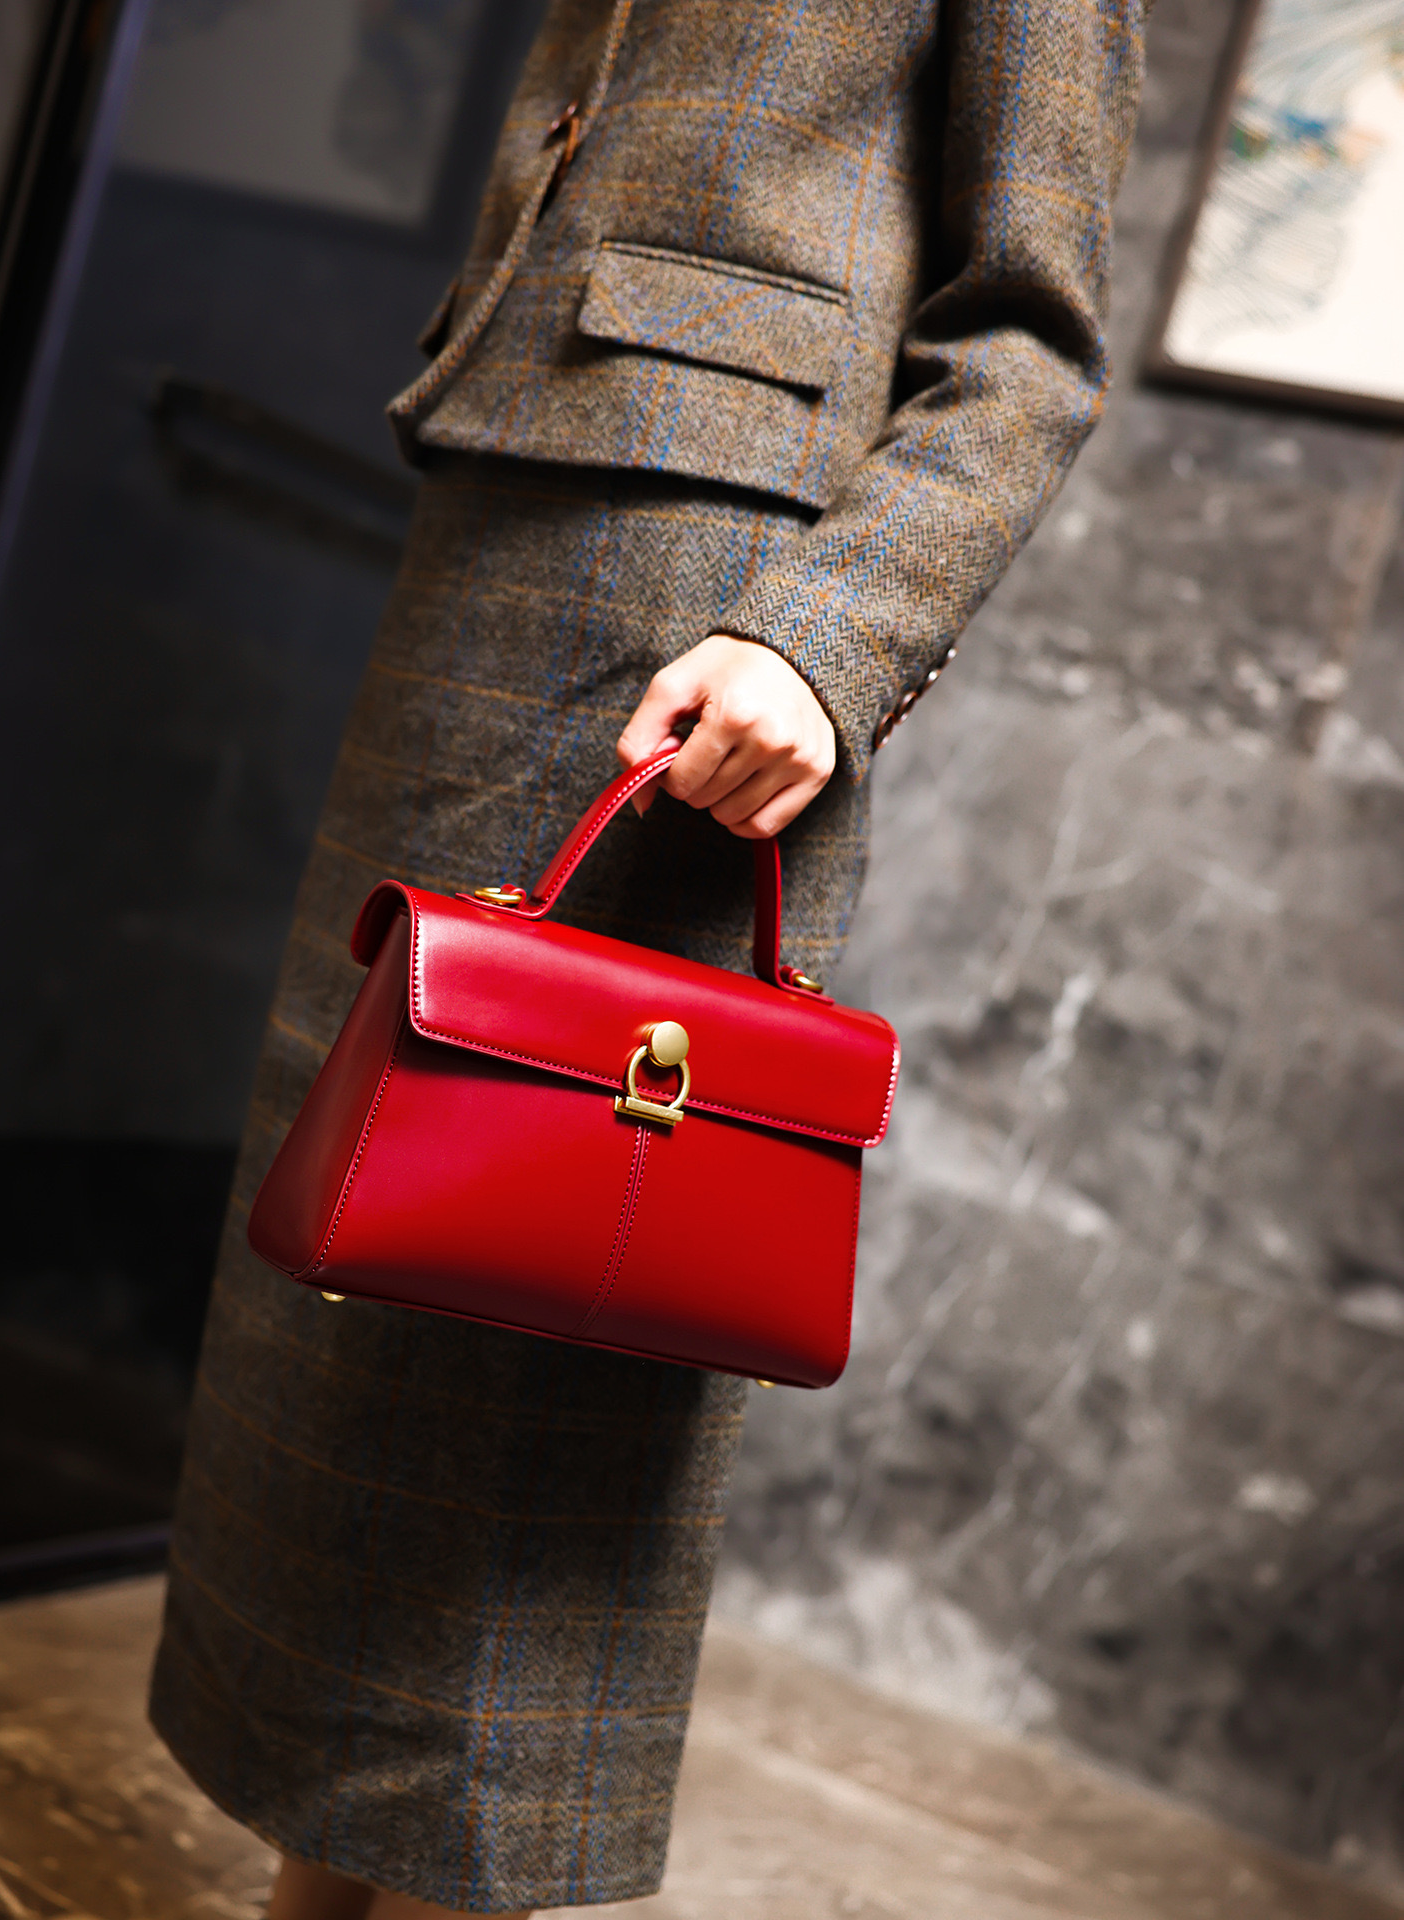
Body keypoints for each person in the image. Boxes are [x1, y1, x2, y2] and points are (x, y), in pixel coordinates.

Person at [149, 2, 1145, 1914]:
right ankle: (312, 1886)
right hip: (498, 512)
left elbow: (1032, 340)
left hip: (704, 619)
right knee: (354, 1265)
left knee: (538, 1329)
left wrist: (825, 638)